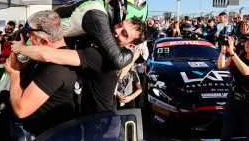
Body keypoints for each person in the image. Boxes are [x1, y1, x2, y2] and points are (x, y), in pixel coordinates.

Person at [12, 17, 147, 116]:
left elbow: (48, 55)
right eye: (120, 25)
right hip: (105, 117)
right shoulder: (118, 57)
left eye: (124, 34)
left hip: (100, 125)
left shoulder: (100, 56)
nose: (117, 30)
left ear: (131, 46)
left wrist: (20, 48)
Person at [5, 10, 78, 136]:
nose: (27, 35)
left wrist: (14, 73)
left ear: (45, 41)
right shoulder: (48, 52)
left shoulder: (57, 69)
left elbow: (21, 110)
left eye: (31, 32)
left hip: (45, 135)